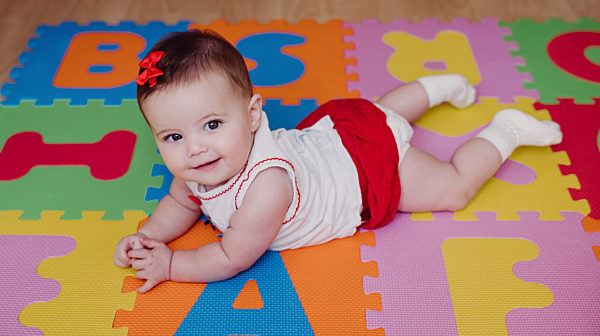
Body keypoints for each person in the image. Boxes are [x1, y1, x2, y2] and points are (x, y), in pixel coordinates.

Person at [113, 29, 562, 293]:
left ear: (253, 115)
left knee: (453, 188)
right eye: (173, 136)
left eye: (212, 125)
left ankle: (505, 131)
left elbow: (231, 256)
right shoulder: (199, 169)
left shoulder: (268, 185)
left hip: (364, 172)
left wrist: (171, 266)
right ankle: (436, 88)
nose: (194, 148)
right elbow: (181, 203)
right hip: (336, 132)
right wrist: (147, 237)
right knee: (379, 115)